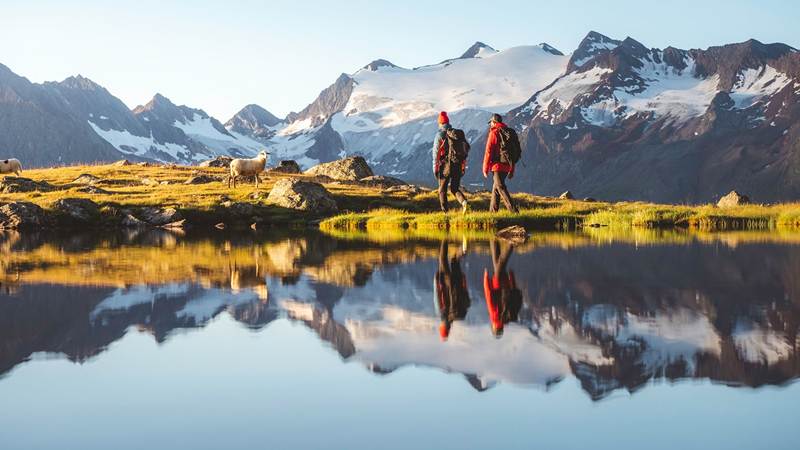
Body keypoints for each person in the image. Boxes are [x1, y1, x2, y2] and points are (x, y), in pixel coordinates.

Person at [432, 111, 469, 214]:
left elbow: (436, 154)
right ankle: (464, 202)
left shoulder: (439, 135)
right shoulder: (456, 134)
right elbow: (464, 152)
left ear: (440, 123)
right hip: (457, 164)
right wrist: (463, 166)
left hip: (445, 166)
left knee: (442, 190)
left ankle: (446, 213)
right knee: (454, 188)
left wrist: (435, 169)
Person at [483, 239, 522, 338]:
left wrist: (512, 279)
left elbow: (514, 297)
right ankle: (511, 243)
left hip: (506, 284)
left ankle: (493, 237)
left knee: (496, 258)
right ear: (494, 328)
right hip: (497, 282)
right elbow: (488, 296)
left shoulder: (508, 318)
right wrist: (486, 279)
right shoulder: (495, 317)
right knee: (501, 262)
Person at [434, 240, 471, 341]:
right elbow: (438, 296)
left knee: (454, 261)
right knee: (442, 259)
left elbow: (466, 298)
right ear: (442, 327)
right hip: (447, 282)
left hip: (457, 283)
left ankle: (463, 251)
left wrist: (463, 282)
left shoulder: (458, 315)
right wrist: (436, 280)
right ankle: (444, 237)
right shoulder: (442, 314)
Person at [482, 113, 519, 213]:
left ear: (494, 122)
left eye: (491, 123)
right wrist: (512, 169)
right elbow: (512, 153)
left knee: (500, 187)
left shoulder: (494, 133)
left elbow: (488, 151)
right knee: (496, 188)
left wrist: (485, 168)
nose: (490, 125)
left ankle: (514, 212)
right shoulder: (508, 133)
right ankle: (492, 213)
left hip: (497, 166)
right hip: (507, 165)